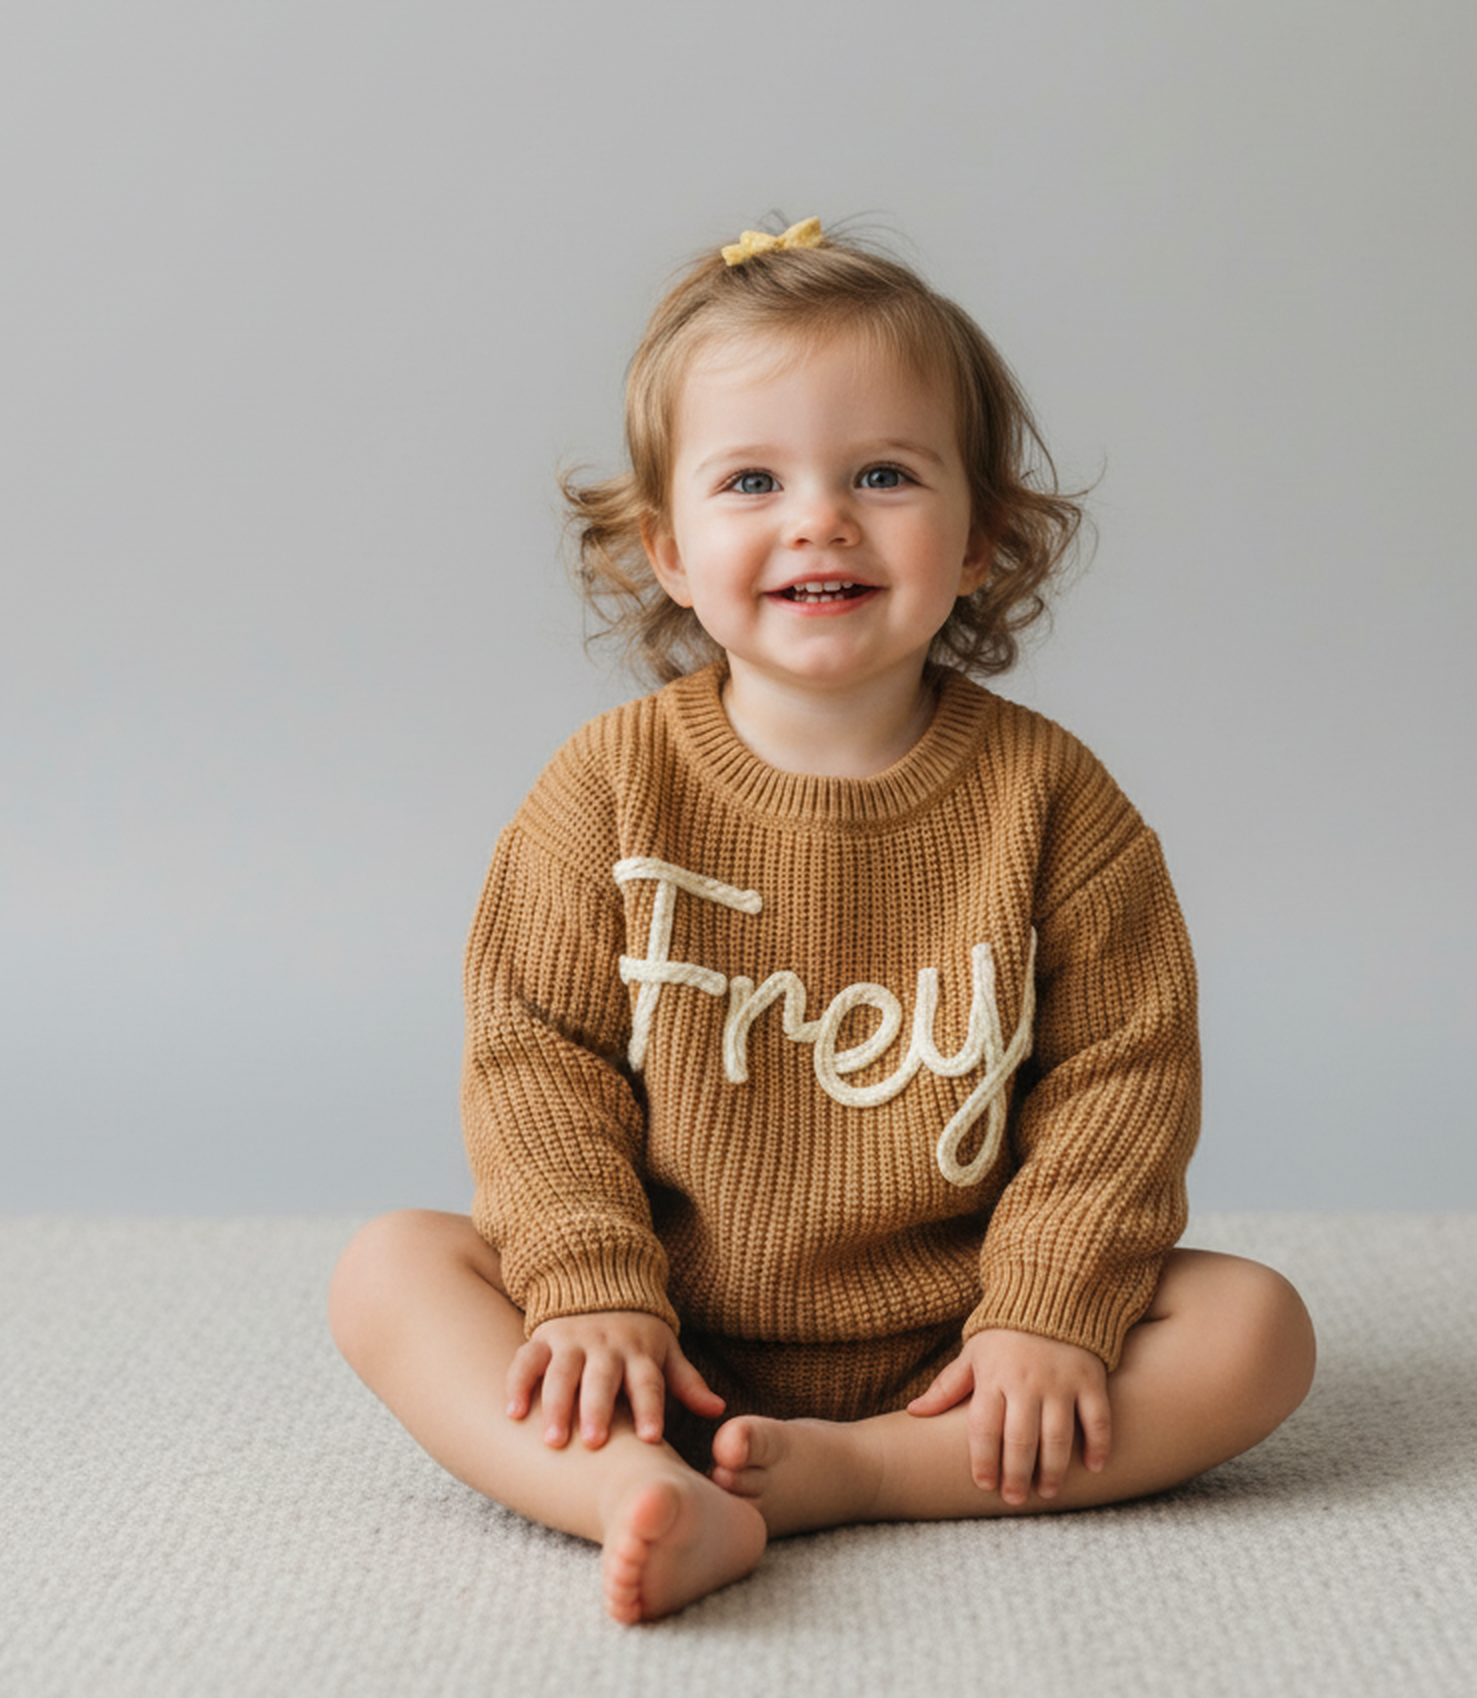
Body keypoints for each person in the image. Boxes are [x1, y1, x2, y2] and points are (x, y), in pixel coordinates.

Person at [328, 216, 1316, 1625]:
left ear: (982, 535)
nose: (820, 519)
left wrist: (1044, 1305)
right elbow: (535, 1056)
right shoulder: (606, 788)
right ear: (669, 549)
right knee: (389, 1268)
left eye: (883, 474)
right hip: (658, 1334)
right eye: (752, 479)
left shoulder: (1053, 800)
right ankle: (623, 1487)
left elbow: (1125, 1078)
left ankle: (859, 1473)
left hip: (960, 1340)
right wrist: (591, 1286)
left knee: (1256, 1330)